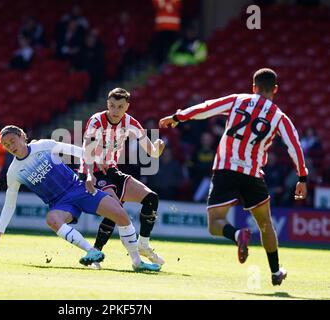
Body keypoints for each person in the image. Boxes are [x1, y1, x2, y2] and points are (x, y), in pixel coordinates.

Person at [159, 68, 308, 286]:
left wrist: (177, 117)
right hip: (252, 174)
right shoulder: (279, 116)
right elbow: (294, 145)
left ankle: (237, 235)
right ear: (275, 89)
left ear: (253, 86)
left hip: (225, 169)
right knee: (266, 224)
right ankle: (276, 271)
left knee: (214, 224)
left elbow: (207, 107)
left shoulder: (237, 100)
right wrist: (302, 177)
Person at [0, 125, 161, 272]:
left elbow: (80, 152)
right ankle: (91, 251)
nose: (11, 146)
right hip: (60, 203)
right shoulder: (13, 172)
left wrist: (99, 162)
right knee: (52, 219)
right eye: (6, 145)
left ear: (22, 136)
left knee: (121, 215)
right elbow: (9, 204)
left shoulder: (44, 145)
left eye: (12, 140)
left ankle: (137, 262)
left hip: (79, 188)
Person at [78, 88, 166, 269]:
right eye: (112, 106)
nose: (115, 111)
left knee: (151, 198)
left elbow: (151, 151)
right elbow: (86, 148)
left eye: (120, 107)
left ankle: (143, 244)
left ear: (127, 107)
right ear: (107, 105)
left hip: (112, 170)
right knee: (116, 209)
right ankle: (102, 255)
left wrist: (158, 148)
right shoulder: (97, 120)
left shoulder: (131, 122)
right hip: (94, 169)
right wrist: (88, 174)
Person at [150, 0, 182, 66]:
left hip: (173, 27)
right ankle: (160, 65)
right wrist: (167, 4)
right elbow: (158, 5)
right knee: (160, 48)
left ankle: (172, 64)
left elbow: (175, 5)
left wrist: (165, 4)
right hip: (161, 27)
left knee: (173, 48)